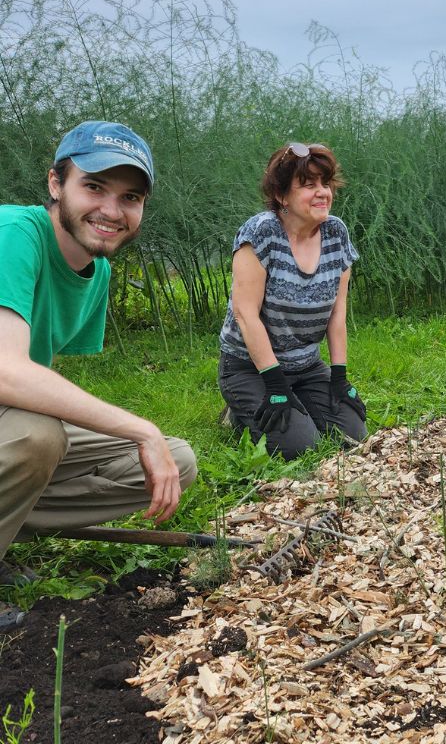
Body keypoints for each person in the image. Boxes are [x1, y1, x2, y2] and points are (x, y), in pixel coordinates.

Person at [0, 121, 198, 629]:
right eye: (93, 187)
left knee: (174, 461)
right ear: (54, 183)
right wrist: (139, 427)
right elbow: (8, 373)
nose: (112, 211)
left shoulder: (97, 269)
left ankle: (8, 528)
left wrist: (149, 441)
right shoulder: (15, 235)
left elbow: (42, 377)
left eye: (129, 196)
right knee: (36, 436)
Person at [218, 142, 367, 460]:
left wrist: (339, 377)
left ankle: (301, 403)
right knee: (301, 447)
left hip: (306, 365)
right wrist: (274, 384)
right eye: (308, 184)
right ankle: (236, 413)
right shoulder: (261, 234)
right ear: (282, 196)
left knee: (352, 434)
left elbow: (338, 311)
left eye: (325, 183)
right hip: (249, 368)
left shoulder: (336, 233)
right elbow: (245, 314)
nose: (322, 192)